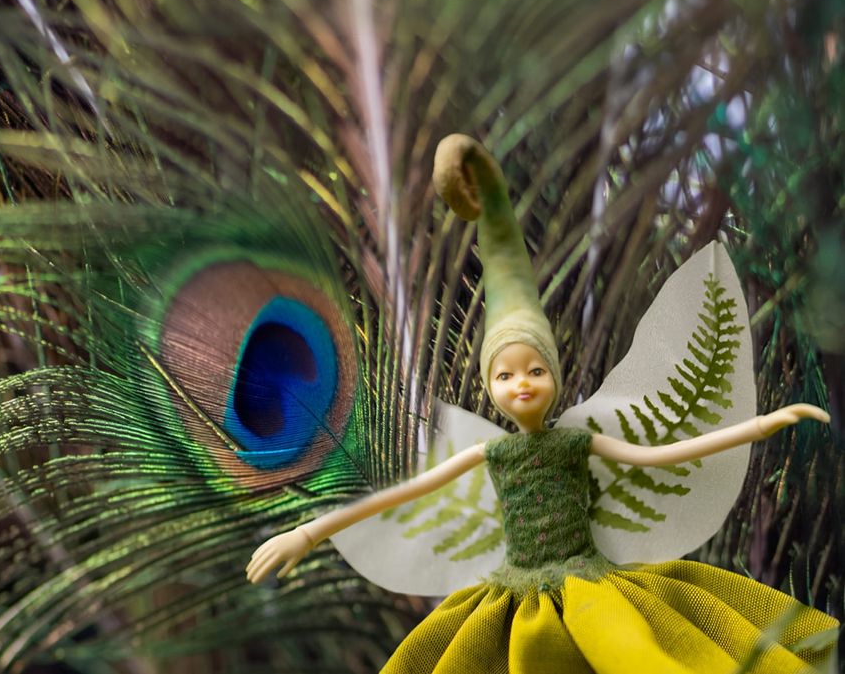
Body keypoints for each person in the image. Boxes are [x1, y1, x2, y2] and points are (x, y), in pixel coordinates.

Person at [247, 136, 840, 673]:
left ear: (553, 376)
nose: (522, 385)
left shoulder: (576, 444)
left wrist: (759, 425)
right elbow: (404, 495)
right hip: (513, 601)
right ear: (490, 386)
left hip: (593, 587)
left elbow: (662, 455)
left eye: (535, 371)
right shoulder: (493, 455)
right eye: (506, 376)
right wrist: (311, 532)